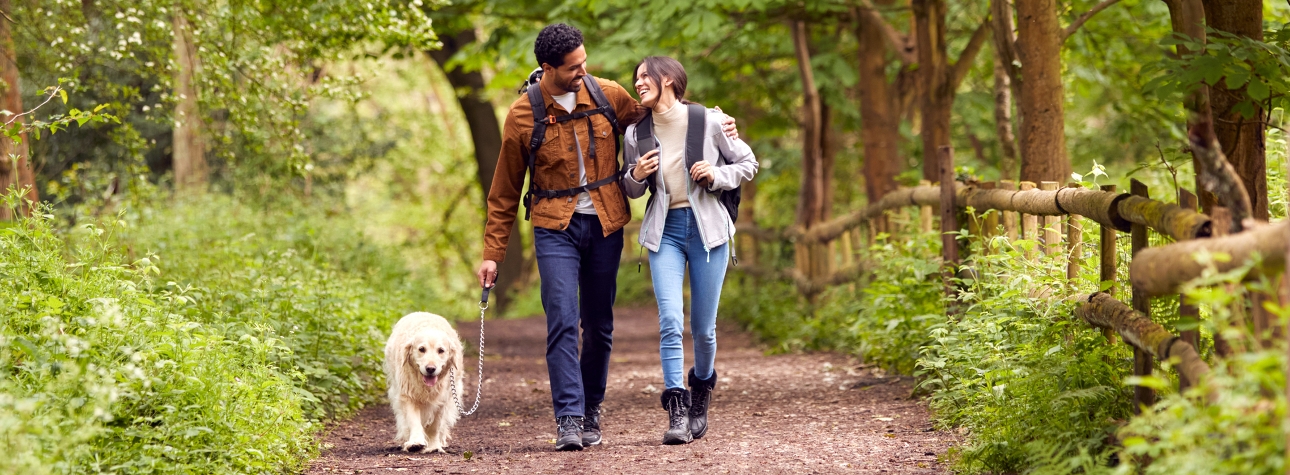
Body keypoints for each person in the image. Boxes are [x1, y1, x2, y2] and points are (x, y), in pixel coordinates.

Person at [475, 24, 738, 451]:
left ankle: (592, 406)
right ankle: (570, 418)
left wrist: (714, 122)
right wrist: (493, 254)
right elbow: (503, 191)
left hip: (604, 222)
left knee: (598, 324)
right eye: (574, 67)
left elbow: (662, 116)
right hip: (552, 225)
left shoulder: (606, 94)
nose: (584, 70)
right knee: (561, 319)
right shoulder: (523, 115)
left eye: (584, 61)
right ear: (548, 68)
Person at [619, 56, 758, 445]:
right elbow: (629, 188)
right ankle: (677, 409)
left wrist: (716, 175)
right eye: (636, 77)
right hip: (665, 233)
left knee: (703, 329)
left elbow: (747, 163)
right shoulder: (635, 134)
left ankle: (701, 394)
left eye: (646, 76)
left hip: (708, 232)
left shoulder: (709, 121)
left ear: (668, 79)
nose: (639, 82)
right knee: (669, 320)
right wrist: (635, 175)